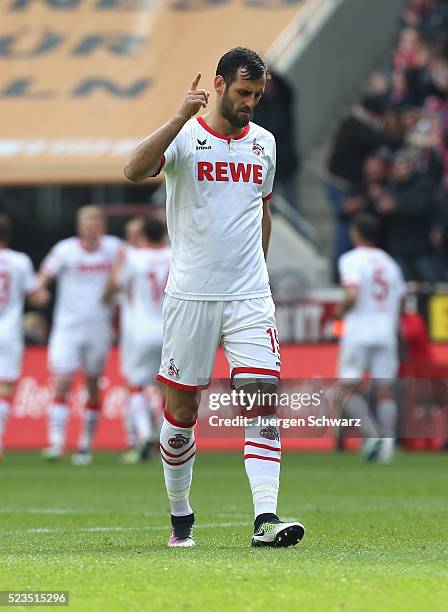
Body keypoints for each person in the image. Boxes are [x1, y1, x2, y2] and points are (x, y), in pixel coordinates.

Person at [124, 47, 304, 548]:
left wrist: (259, 275)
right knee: (181, 415)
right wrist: (181, 114)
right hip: (191, 298)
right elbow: (133, 170)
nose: (251, 103)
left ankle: (264, 520)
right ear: (220, 85)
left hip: (249, 298)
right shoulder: (186, 137)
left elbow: (260, 211)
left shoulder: (264, 144)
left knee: (261, 403)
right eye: (244, 93)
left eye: (258, 95)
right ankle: (181, 517)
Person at [38, 206, 122, 464]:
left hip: (98, 326)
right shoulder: (65, 250)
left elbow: (128, 268)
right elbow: (44, 275)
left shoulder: (115, 248)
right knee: (61, 382)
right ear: (79, 226)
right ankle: (55, 443)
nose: (90, 229)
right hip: (67, 326)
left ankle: (85, 444)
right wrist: (39, 290)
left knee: (92, 385)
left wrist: (113, 288)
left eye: (94, 224)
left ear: (102, 227)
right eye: (85, 224)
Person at [335, 213, 407, 464]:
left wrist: (339, 311)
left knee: (346, 389)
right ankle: (387, 447)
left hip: (358, 331)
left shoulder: (351, 259)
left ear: (356, 233)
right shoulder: (391, 264)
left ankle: (372, 435)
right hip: (386, 331)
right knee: (385, 390)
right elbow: (401, 300)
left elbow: (352, 293)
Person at [104, 216, 171, 463]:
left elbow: (113, 286)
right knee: (169, 386)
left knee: (135, 386)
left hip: (141, 332)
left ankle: (144, 436)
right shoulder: (175, 254)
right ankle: (168, 441)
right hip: (170, 331)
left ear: (142, 235)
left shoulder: (132, 257)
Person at [0, 215, 48, 461]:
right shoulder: (19, 261)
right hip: (8, 331)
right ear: (8, 235)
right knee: (5, 386)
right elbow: (36, 296)